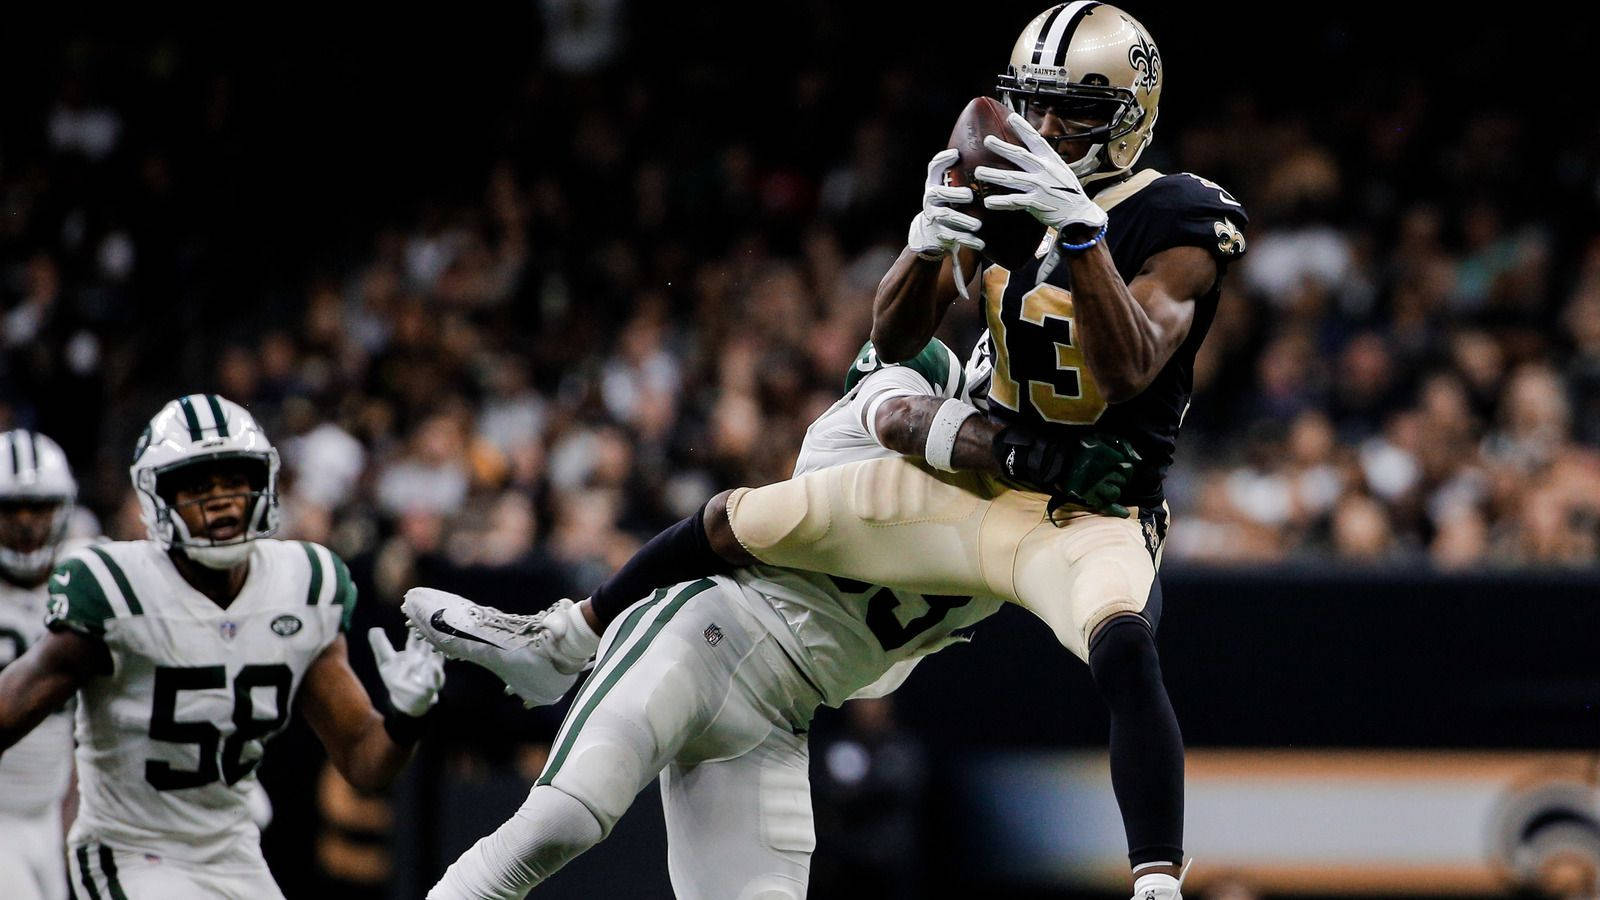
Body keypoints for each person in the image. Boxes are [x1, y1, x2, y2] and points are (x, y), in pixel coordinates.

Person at [408, 336, 1136, 899]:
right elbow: (902, 416)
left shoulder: (1042, 515)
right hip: (708, 628)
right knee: (561, 823)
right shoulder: (903, 397)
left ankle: (562, 635)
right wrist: (1024, 454)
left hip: (784, 714)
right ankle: (561, 635)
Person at [0, 394, 447, 900]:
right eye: (195, 484)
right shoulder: (116, 588)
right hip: (131, 849)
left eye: (234, 479)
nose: (219, 499)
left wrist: (406, 719)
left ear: (263, 482)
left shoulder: (304, 585)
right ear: (156, 498)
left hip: (232, 849)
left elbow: (365, 763)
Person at [0, 430, 80, 900]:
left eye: (40, 506)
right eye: (10, 509)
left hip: (50, 812)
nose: (27, 523)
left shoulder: (87, 577)